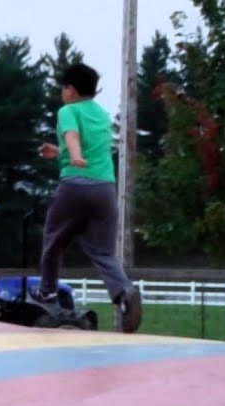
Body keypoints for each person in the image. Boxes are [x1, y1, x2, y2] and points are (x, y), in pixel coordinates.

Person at [33, 62, 142, 333]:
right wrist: (61, 153)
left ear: (70, 89)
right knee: (102, 251)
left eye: (63, 88)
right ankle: (124, 292)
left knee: (53, 241)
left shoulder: (68, 111)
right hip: (105, 189)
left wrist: (75, 155)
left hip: (75, 186)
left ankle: (47, 293)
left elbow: (73, 136)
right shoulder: (102, 115)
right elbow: (92, 150)